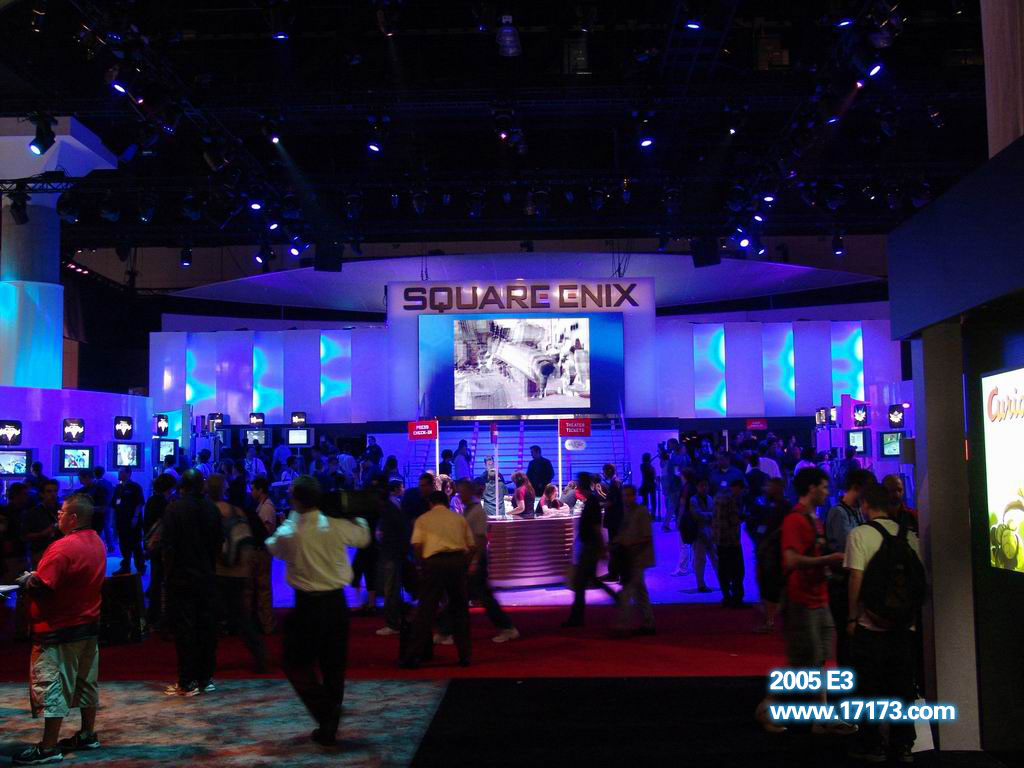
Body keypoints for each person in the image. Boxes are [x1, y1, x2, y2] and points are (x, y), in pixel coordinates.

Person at [267, 475, 370, 747]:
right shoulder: (335, 524)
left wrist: (291, 517)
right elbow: (363, 537)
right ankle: (329, 723)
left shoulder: (291, 531)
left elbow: (272, 547)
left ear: (296, 499)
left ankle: (326, 715)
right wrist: (352, 514)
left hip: (307, 605)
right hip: (336, 603)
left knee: (294, 662)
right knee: (334, 665)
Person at [755, 467, 856, 735]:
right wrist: (828, 560)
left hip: (818, 598)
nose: (827, 492)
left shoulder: (814, 519)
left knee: (817, 660)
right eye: (823, 487)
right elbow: (790, 560)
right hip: (801, 600)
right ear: (811, 488)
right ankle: (767, 707)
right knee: (803, 661)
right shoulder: (795, 520)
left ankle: (820, 719)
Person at [12, 494, 106, 766]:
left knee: (51, 684)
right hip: (87, 625)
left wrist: (27, 581)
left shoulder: (62, 548)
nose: (58, 515)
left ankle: (48, 746)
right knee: (86, 682)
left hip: (57, 628)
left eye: (62, 512)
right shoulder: (97, 542)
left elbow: (43, 586)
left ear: (74, 518)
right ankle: (87, 734)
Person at [844, 481, 923, 763]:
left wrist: (852, 616)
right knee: (902, 685)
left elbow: (856, 577)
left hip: (871, 624)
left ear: (865, 505)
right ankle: (903, 745)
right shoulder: (909, 536)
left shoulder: (859, 534)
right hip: (904, 626)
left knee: (869, 685)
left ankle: (872, 743)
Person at [162, 470, 223, 697]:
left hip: (181, 576)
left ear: (182, 487)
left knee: (185, 629)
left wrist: (168, 575)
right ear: (202, 486)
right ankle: (205, 678)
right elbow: (218, 544)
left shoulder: (174, 509)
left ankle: (187, 681)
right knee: (206, 627)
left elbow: (168, 546)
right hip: (207, 575)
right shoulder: (212, 509)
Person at [400, 491, 475, 668]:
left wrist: (421, 565)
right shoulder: (458, 519)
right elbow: (471, 546)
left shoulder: (423, 519)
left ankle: (413, 656)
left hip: (433, 564)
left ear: (431, 503)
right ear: (446, 502)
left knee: (426, 609)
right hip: (457, 562)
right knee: (460, 609)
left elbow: (417, 545)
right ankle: (465, 655)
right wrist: (464, 564)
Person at [444, 479, 519, 643]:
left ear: (470, 492)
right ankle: (449, 631)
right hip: (472, 558)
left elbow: (480, 538)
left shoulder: (476, 511)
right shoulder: (470, 509)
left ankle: (507, 628)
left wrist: (474, 561)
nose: (459, 495)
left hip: (475, 559)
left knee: (479, 597)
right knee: (471, 597)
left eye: (462, 492)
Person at [208, 474, 266, 673]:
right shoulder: (237, 510)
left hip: (219, 569)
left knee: (212, 618)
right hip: (239, 570)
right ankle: (259, 654)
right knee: (241, 616)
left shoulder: (210, 510)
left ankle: (208, 661)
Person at [564, 473, 618, 627]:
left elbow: (595, 527)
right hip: (589, 546)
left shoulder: (591, 502)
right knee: (588, 581)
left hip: (589, 548)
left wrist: (601, 548)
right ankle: (617, 599)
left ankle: (576, 618)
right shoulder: (591, 501)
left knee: (580, 583)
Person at [614, 484, 655, 635]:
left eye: (629, 495)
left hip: (637, 557)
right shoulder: (628, 512)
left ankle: (623, 625)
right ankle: (648, 623)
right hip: (632, 558)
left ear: (634, 496)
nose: (626, 498)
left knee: (628, 591)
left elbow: (646, 537)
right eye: (624, 495)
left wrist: (628, 545)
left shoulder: (641, 512)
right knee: (639, 592)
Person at [752, 478, 789, 633]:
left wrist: (769, 541)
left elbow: (783, 528)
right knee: (765, 584)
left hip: (775, 554)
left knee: (772, 586)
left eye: (770, 486)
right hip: (764, 551)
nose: (766, 488)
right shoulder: (765, 505)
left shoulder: (784, 506)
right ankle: (769, 618)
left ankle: (770, 621)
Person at [375, 479, 411, 636]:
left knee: (390, 589)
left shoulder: (389, 509)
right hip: (395, 553)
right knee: (392, 588)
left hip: (391, 553)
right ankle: (396, 620)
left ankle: (393, 623)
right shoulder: (394, 506)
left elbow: (387, 533)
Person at [143, 473, 176, 630]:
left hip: (153, 545)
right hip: (161, 546)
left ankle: (153, 613)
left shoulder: (151, 500)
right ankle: (157, 615)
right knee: (160, 579)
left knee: (156, 577)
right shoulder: (164, 503)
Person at [248, 476, 278, 634]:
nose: (251, 492)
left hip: (262, 551)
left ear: (260, 490)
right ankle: (264, 622)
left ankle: (267, 623)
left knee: (263, 588)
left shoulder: (266, 507)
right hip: (261, 550)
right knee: (262, 588)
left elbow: (265, 531)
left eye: (253, 489)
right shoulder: (263, 505)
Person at [713, 478, 746, 608]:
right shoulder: (731, 500)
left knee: (723, 570)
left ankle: (726, 596)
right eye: (741, 490)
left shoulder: (718, 497)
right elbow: (733, 521)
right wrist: (743, 517)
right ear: (737, 487)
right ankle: (737, 598)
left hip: (720, 540)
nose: (741, 493)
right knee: (738, 571)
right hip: (731, 541)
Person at [111, 468, 145, 576]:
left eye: (121, 472)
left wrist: (135, 517)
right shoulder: (118, 487)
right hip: (121, 520)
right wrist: (114, 523)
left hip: (133, 520)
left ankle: (140, 567)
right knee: (123, 544)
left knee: (136, 544)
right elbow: (115, 504)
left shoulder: (135, 487)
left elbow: (140, 503)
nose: (119, 474)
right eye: (119, 472)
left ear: (129, 473)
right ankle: (125, 567)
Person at [23, 481, 61, 569]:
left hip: (60, 553)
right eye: (49, 491)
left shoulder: (63, 509)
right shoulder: (33, 513)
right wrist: (42, 534)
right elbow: (24, 536)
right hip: (40, 553)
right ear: (42, 494)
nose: (53, 494)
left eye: (55, 491)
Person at [687, 478, 716, 592]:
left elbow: (703, 514)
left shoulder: (710, 498)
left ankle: (722, 581)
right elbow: (697, 515)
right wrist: (711, 515)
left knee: (715, 558)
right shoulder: (693, 500)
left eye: (705, 486)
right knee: (700, 560)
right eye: (701, 486)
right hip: (698, 534)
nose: (704, 488)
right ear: (697, 487)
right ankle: (700, 584)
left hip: (710, 533)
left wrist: (706, 515)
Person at [600, 464, 624, 582]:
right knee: (615, 546)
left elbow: (612, 502)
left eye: (604, 471)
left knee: (614, 546)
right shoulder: (616, 482)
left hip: (614, 520)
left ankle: (614, 573)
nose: (603, 473)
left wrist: (600, 505)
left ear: (609, 471)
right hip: (617, 519)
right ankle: (615, 572)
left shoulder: (614, 484)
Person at [638, 453, 657, 519]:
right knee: (650, 500)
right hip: (649, 484)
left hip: (646, 484)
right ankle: (650, 514)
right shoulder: (645, 466)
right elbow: (651, 473)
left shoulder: (643, 466)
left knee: (647, 500)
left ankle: (650, 514)